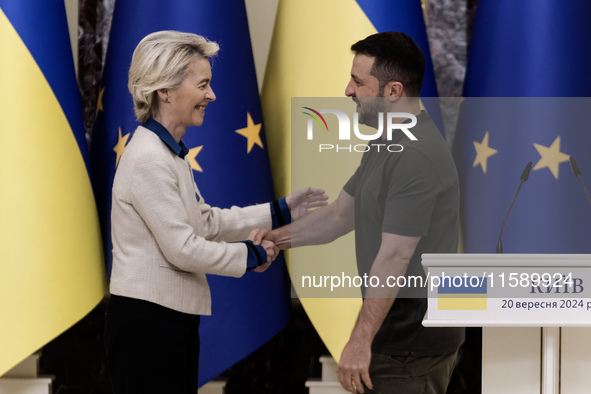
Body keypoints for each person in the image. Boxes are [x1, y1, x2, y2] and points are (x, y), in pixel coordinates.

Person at [103, 30, 327, 394]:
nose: (212, 95)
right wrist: (252, 255)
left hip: (167, 321)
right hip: (148, 326)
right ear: (165, 90)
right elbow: (183, 248)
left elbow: (204, 222)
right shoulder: (148, 158)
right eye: (203, 84)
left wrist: (279, 211)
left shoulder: (167, 152)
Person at [257, 32, 465, 394]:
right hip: (396, 340)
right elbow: (340, 215)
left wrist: (359, 339)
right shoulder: (389, 141)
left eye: (358, 82)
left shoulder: (414, 156)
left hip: (408, 346)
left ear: (393, 91)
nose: (348, 91)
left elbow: (395, 255)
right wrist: (274, 241)